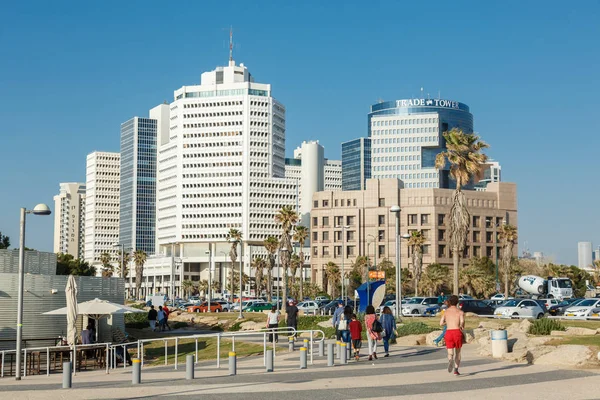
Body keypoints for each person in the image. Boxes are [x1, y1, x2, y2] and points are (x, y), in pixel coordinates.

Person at [441, 294, 465, 376]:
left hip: (449, 332)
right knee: (458, 352)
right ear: (457, 302)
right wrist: (462, 326)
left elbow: (441, 323)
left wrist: (446, 322)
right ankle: (456, 370)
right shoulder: (460, 312)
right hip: (457, 332)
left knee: (450, 351)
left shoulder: (446, 312)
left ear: (449, 302)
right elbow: (462, 322)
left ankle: (450, 359)